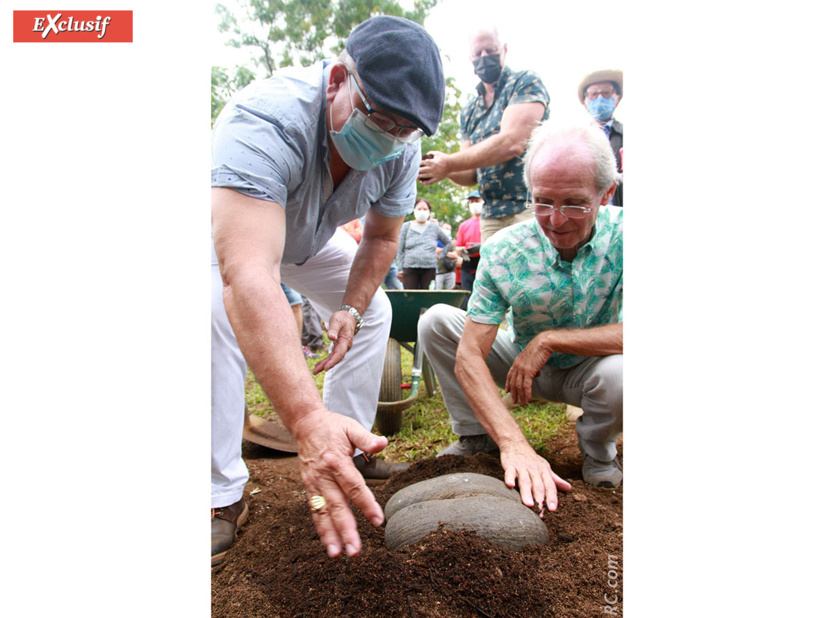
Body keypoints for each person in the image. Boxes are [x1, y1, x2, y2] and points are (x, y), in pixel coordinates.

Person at [211, 15, 446, 565]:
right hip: (232, 232)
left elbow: (384, 237)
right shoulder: (263, 120)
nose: (390, 139)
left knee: (377, 310)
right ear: (339, 78)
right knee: (214, 319)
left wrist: (349, 306)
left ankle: (350, 450)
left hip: (310, 235)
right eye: (379, 118)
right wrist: (305, 423)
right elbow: (248, 273)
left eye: (404, 129)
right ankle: (219, 495)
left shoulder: (401, 144)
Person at [418, 116, 623, 519]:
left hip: (593, 369)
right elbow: (470, 354)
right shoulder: (506, 251)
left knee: (623, 373)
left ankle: (599, 456)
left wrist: (549, 340)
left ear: (606, 193)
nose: (557, 220)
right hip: (522, 368)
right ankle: (477, 437)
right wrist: (514, 442)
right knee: (437, 321)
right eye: (543, 202)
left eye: (575, 203)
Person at [418, 24, 549, 243]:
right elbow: (469, 174)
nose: (484, 57)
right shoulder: (470, 110)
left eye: (490, 50)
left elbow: (512, 143)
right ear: (470, 57)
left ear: (504, 50)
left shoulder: (524, 83)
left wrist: (449, 163)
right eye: (478, 53)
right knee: (492, 277)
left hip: (527, 208)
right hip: (491, 217)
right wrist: (437, 167)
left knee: (533, 276)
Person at [578, 69, 623, 206]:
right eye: (594, 94)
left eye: (606, 93)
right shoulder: (577, 139)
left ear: (616, 98)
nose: (600, 98)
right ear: (585, 102)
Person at [396, 197, 452, 290]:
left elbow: (448, 243)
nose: (422, 211)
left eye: (425, 209)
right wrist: (400, 269)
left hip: (429, 268)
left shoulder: (434, 227)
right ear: (414, 210)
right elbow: (400, 249)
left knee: (428, 297)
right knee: (410, 296)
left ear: (429, 211)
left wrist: (441, 255)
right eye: (419, 209)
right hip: (409, 267)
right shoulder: (406, 226)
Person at [455, 189, 484, 310]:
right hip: (467, 263)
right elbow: (458, 247)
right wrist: (463, 251)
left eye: (477, 201)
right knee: (466, 297)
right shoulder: (464, 225)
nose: (474, 204)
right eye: (471, 201)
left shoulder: (488, 222)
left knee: (482, 295)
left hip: (483, 261)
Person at [434, 222, 458, 290]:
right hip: (438, 272)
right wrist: (448, 252)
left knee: (450, 294)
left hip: (450, 271)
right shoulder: (436, 240)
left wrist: (442, 252)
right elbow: (434, 252)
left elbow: (455, 255)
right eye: (446, 228)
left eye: (450, 229)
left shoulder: (451, 242)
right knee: (437, 294)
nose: (448, 231)